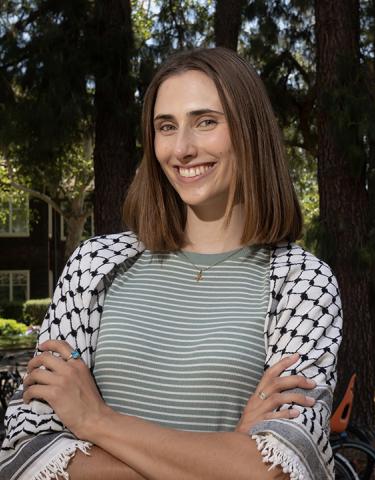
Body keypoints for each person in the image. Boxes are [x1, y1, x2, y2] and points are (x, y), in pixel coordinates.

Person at [0, 48, 342, 480]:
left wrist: (95, 421)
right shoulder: (95, 266)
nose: (182, 148)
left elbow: (278, 470)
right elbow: (28, 452)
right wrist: (224, 459)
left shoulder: (303, 282)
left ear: (250, 131)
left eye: (206, 122)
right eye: (166, 127)